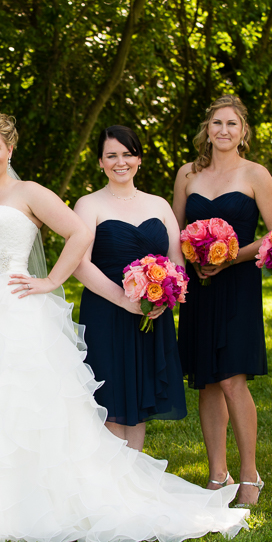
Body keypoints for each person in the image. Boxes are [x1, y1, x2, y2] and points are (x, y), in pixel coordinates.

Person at [0, 110, 248, 542]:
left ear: (10, 148)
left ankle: (34, 504)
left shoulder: (30, 193)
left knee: (26, 407)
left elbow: (77, 235)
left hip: (18, 308)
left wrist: (50, 281)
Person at [171, 95, 272, 505]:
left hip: (238, 285)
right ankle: (217, 474)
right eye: (217, 123)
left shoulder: (256, 174)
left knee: (232, 378)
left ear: (243, 131)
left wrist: (229, 257)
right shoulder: (188, 174)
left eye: (231, 124)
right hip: (200, 287)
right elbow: (175, 229)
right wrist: (189, 261)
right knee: (206, 380)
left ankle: (250, 476)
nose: (223, 130)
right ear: (207, 128)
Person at [73, 125, 187, 451]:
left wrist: (167, 294)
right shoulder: (88, 205)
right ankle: (113, 488)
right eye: (111, 156)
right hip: (106, 310)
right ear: (100, 162)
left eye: (127, 154)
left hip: (152, 312)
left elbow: (176, 261)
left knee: (139, 401)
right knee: (111, 398)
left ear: (139, 158)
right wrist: (123, 300)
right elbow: (80, 264)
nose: (120, 162)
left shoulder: (160, 205)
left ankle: (134, 481)